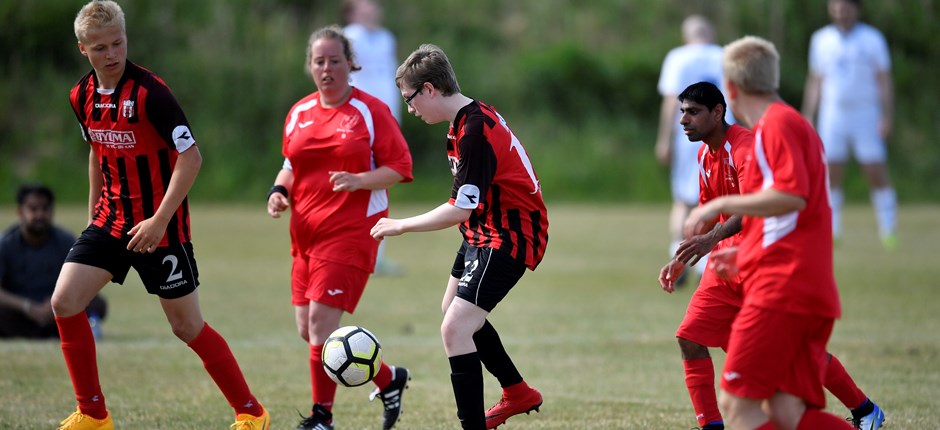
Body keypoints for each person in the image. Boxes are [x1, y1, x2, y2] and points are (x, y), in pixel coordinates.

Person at [54, 2, 269, 429]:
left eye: (118, 42)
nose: (111, 53)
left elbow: (191, 158)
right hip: (111, 222)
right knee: (64, 302)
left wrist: (158, 221)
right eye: (100, 47)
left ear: (125, 37)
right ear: (83, 49)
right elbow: (97, 151)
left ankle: (251, 413)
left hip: (162, 230)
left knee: (187, 327)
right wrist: (93, 212)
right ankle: (93, 414)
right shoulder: (81, 96)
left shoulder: (152, 93)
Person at [659, 82, 885, 430]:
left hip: (760, 264)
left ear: (718, 112)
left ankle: (865, 409)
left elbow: (755, 208)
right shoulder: (705, 155)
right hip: (724, 268)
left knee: (795, 356)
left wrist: (712, 239)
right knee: (690, 338)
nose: (684, 120)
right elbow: (708, 216)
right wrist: (683, 256)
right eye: (682, 112)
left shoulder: (746, 147)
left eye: (692, 112)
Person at [370, 43, 549, 430]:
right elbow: (466, 203)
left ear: (430, 89)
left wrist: (401, 224)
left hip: (512, 233)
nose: (411, 109)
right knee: (451, 310)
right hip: (484, 230)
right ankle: (517, 392)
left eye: (411, 99)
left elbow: (459, 209)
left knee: (455, 327)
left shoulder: (475, 131)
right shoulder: (465, 121)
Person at [683, 35, 855, 430]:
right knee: (786, 413)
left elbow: (790, 196)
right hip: (790, 279)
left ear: (730, 89)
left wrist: (715, 208)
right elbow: (791, 218)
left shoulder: (776, 126)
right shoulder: (786, 124)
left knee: (739, 407)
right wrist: (744, 254)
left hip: (784, 289)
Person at [265, 25, 413, 430]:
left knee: (320, 326)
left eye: (335, 60)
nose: (327, 68)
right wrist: (279, 191)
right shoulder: (298, 113)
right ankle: (389, 378)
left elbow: (400, 168)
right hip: (305, 235)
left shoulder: (370, 110)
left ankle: (321, 419)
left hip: (351, 232)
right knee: (309, 331)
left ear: (351, 63)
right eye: (319, 61)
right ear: (310, 66)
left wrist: (359, 180)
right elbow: (291, 165)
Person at [802, 0, 897, 249]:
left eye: (845, 7)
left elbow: (884, 79)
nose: (840, 12)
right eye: (835, 8)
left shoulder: (872, 39)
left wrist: (887, 115)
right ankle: (833, 230)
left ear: (856, 8)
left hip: (866, 113)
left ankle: (888, 229)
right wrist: (809, 115)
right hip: (833, 114)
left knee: (874, 169)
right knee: (831, 172)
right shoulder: (821, 39)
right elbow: (816, 80)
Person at [654, 15, 727, 286]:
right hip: (718, 133)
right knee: (713, 198)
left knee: (683, 199)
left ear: (686, 36)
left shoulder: (677, 57)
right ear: (711, 33)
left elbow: (671, 102)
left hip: (686, 134)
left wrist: (663, 139)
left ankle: (678, 256)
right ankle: (705, 264)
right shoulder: (723, 55)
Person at [342, 0, 406, 276]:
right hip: (359, 123)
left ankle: (374, 256)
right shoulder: (349, 36)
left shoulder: (385, 38)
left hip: (386, 121)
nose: (371, 9)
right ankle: (349, 252)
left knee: (380, 186)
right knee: (354, 186)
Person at [0, 184, 107, 340]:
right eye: (33, 209)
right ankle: (61, 330)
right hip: (20, 310)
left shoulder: (65, 241)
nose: (40, 215)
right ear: (20, 212)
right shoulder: (5, 244)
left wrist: (52, 305)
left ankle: (62, 327)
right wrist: (28, 307)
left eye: (45, 209)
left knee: (97, 303)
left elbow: (82, 282)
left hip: (56, 306)